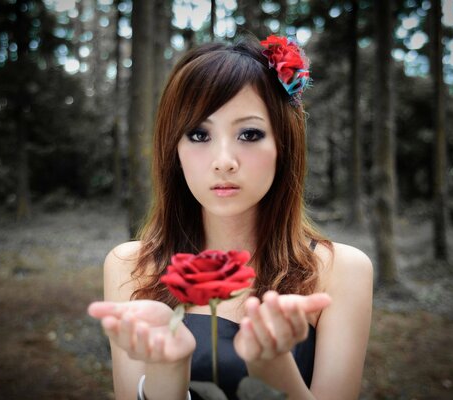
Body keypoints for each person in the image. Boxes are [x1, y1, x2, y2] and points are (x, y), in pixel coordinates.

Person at [88, 35, 373, 400]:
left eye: (249, 133)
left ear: (282, 146)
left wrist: (273, 365)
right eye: (199, 134)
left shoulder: (338, 271)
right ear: (174, 150)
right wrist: (167, 368)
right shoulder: (131, 266)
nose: (224, 160)